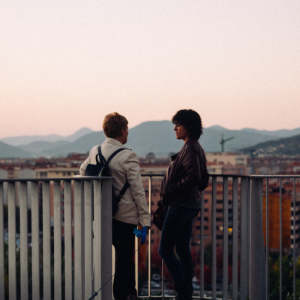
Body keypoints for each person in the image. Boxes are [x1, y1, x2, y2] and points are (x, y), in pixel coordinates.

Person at [80, 112, 151, 300]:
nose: (127, 133)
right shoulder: (128, 155)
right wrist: (145, 219)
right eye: (127, 129)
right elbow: (138, 190)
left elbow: (82, 170)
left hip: (103, 214)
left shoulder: (95, 151)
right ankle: (126, 295)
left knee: (112, 259)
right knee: (125, 260)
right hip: (125, 217)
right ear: (122, 131)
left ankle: (126, 294)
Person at [158, 109, 207, 300]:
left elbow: (194, 176)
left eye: (178, 124)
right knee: (182, 248)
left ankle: (184, 291)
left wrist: (171, 189)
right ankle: (187, 290)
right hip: (190, 204)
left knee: (164, 250)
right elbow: (201, 178)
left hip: (181, 204)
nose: (174, 128)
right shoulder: (196, 147)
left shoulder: (189, 148)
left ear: (189, 126)